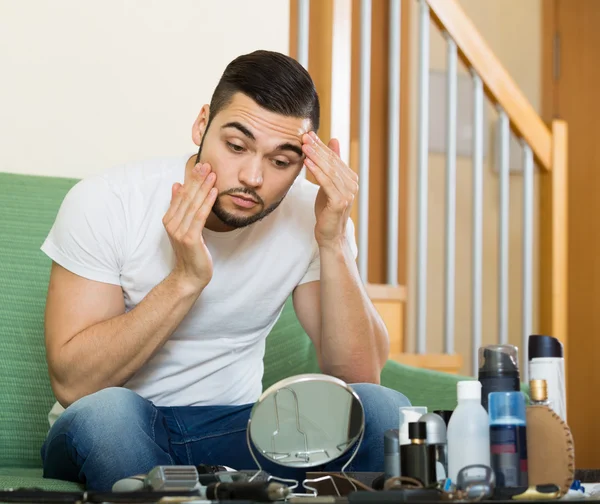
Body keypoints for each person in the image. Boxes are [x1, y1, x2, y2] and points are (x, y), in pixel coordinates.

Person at [40, 50, 410, 491]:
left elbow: (360, 378)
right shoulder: (108, 202)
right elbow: (75, 384)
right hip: (117, 426)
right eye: (236, 147)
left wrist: (333, 242)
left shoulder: (311, 219)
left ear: (304, 165)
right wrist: (185, 280)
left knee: (383, 408)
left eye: (280, 161)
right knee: (107, 415)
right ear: (202, 125)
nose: (252, 176)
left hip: (236, 433)